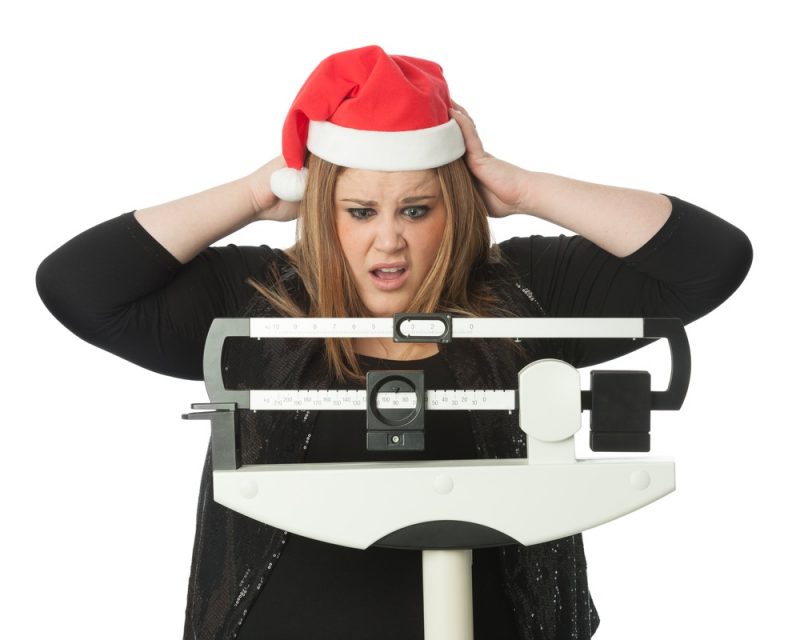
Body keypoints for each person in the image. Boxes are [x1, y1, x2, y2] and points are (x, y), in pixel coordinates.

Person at [36, 45, 752, 640]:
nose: (389, 240)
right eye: (358, 211)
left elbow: (710, 262)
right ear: (323, 210)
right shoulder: (259, 300)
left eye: (416, 209)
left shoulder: (524, 293)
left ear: (454, 208)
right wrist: (254, 194)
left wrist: (521, 189)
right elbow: (77, 286)